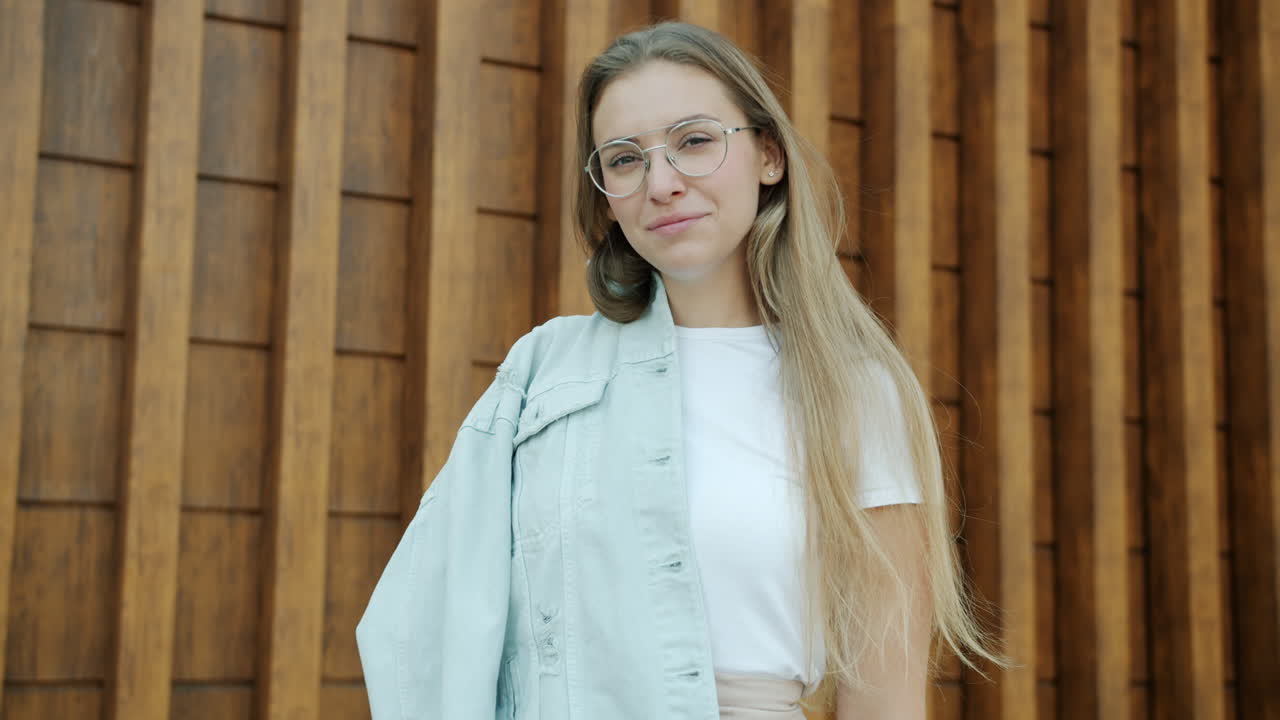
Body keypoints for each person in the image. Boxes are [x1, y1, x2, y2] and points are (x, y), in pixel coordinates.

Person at [357, 20, 1001, 720]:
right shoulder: (539, 377)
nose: (660, 184)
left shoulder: (853, 393)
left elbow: (884, 696)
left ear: (768, 155)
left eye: (694, 141)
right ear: (604, 193)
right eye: (624, 159)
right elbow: (424, 627)